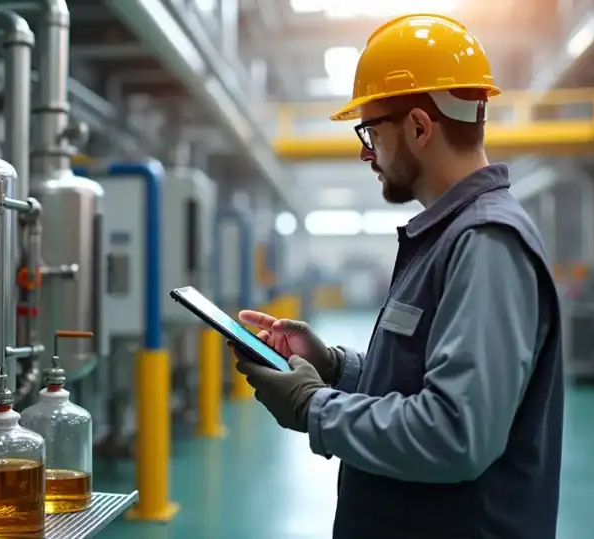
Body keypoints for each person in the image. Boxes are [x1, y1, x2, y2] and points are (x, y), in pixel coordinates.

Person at [230, 13, 563, 539]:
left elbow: (456, 433)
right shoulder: (447, 237)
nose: (366, 151)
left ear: (419, 127)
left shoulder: (485, 243)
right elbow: (423, 381)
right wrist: (334, 367)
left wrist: (313, 406)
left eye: (370, 131)